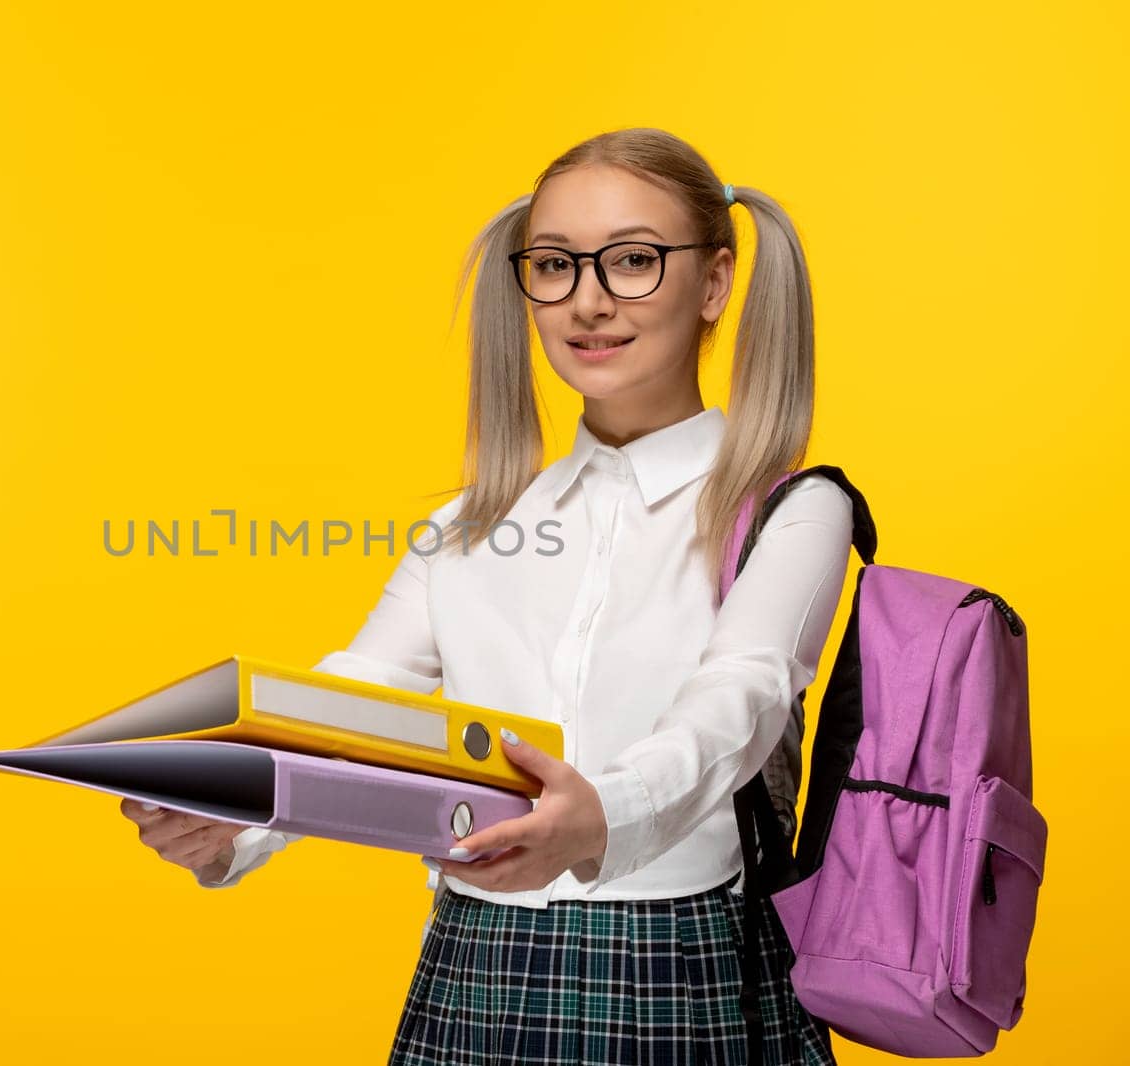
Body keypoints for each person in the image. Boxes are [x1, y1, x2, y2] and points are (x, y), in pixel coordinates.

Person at [119, 126, 852, 1065]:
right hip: (476, 963)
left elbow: (739, 703)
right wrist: (233, 810)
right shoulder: (471, 523)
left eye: (632, 261)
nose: (588, 302)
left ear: (715, 283)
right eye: (553, 265)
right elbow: (361, 696)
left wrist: (603, 817)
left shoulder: (793, 509)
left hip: (679, 963)